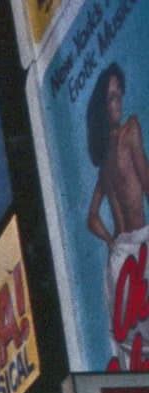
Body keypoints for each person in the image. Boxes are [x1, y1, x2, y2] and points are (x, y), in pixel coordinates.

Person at [86, 62, 149, 371]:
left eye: (118, 95)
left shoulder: (103, 162)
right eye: (111, 97)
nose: (117, 103)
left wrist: (111, 242)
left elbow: (92, 218)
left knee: (129, 348)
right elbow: (147, 182)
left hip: (119, 258)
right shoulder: (130, 131)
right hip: (139, 248)